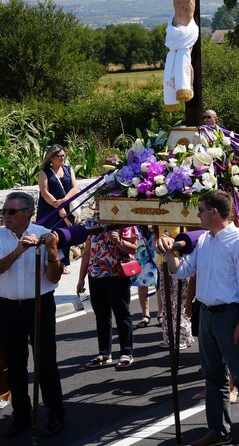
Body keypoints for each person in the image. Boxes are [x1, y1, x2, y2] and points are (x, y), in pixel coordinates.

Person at [156, 190, 239, 446]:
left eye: (201, 209)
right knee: (213, 377)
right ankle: (218, 430)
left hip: (231, 315)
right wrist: (170, 253)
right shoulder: (204, 240)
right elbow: (183, 271)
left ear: (214, 212)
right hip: (207, 314)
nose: (198, 215)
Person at [0, 192, 65, 438]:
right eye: (4, 212)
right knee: (15, 366)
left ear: (27, 212)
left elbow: (54, 276)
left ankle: (55, 414)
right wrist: (18, 251)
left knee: (46, 363)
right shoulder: (0, 236)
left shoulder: (44, 232)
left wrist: (52, 251)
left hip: (39, 304)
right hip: (7, 306)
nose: (6, 216)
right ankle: (22, 416)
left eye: (11, 212)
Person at [145, 0, 228, 108]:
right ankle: (175, 89)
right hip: (175, 29)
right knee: (173, 59)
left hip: (187, 30)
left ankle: (188, 87)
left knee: (186, 57)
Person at [77, 214, 138, 369]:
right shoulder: (92, 222)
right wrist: (81, 278)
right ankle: (104, 353)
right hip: (96, 274)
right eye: (97, 201)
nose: (98, 205)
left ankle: (126, 352)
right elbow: (87, 252)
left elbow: (133, 248)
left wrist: (118, 240)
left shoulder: (123, 220)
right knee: (101, 316)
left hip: (117, 274)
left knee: (122, 313)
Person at [37, 144, 78, 267]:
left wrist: (65, 200)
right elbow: (45, 193)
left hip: (66, 207)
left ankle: (63, 264)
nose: (62, 158)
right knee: (51, 235)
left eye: (63, 156)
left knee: (65, 235)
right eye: (59, 156)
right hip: (49, 210)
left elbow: (74, 187)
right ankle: (50, 263)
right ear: (51, 157)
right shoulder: (44, 173)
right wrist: (59, 207)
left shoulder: (68, 169)